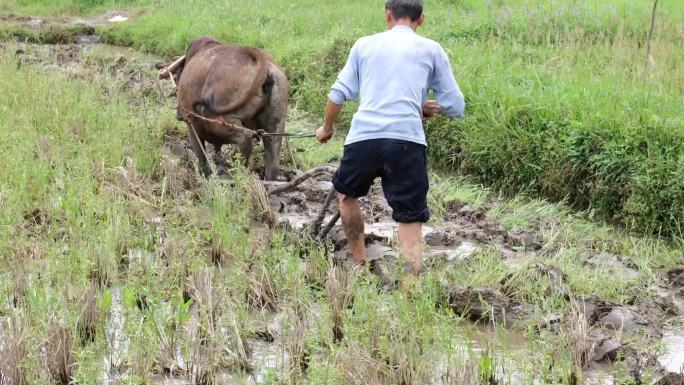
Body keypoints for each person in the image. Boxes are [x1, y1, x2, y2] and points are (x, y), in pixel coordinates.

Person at [316, 0, 465, 275]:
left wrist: (326, 129)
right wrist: (426, 108)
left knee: (347, 196)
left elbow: (337, 94)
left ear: (387, 16)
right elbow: (457, 106)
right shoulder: (431, 49)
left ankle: (359, 263)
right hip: (407, 142)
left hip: (364, 138)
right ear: (421, 20)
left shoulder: (364, 45)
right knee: (410, 215)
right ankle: (410, 285)